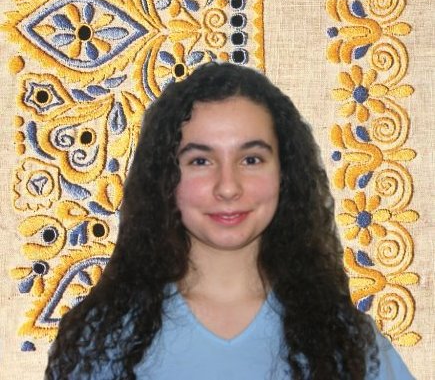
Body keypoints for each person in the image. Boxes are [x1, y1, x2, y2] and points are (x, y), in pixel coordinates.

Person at [45, 62, 414, 379]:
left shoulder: (346, 342)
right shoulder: (103, 339)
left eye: (251, 159)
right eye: (200, 161)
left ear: (284, 173)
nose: (227, 187)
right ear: (165, 177)